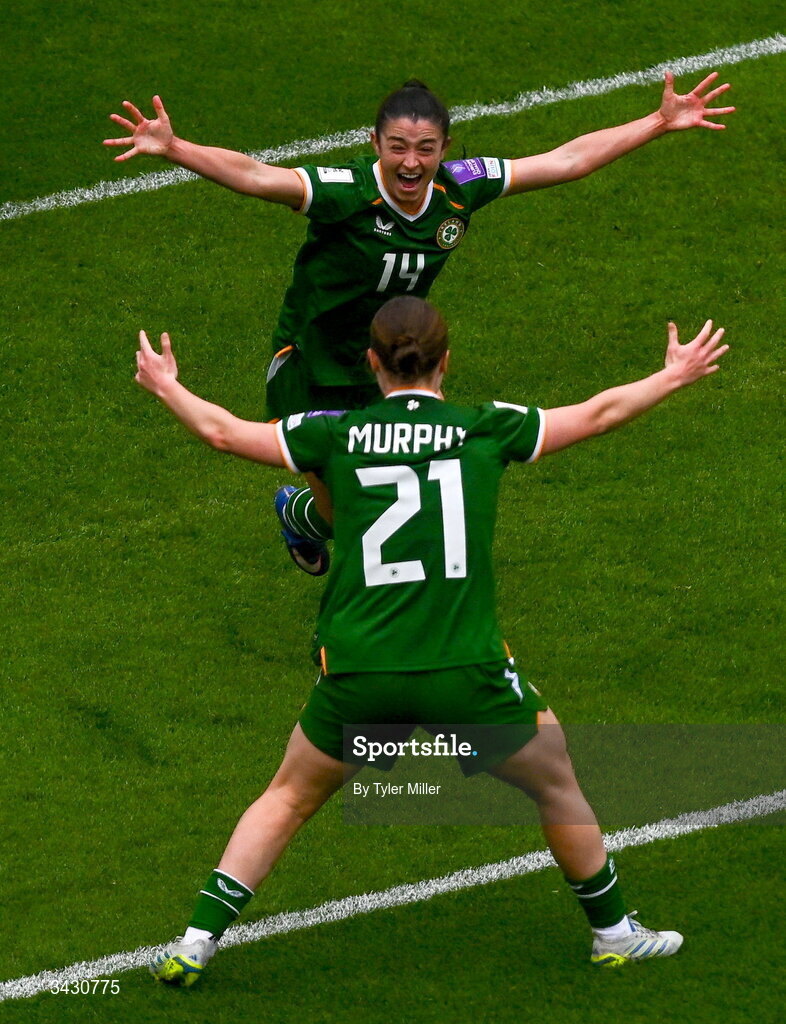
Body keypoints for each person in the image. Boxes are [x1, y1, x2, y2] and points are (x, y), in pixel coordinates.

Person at [134, 295, 727, 985]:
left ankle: (195, 941)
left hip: (361, 669)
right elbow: (597, 414)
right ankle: (614, 934)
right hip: (463, 672)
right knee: (557, 784)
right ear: (446, 361)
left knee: (289, 797)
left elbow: (224, 434)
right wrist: (672, 376)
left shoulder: (336, 432)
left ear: (371, 363)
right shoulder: (485, 428)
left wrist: (167, 384)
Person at [109, 75, 734, 575]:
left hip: (397, 356)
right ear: (376, 144)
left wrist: (657, 122)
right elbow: (255, 175)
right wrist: (176, 149)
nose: (412, 163)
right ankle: (306, 517)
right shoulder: (344, 191)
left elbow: (565, 161)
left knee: (370, 490)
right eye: (398, 148)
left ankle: (313, 524)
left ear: (445, 150)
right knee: (345, 506)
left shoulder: (462, 189)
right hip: (315, 362)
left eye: (426, 149)